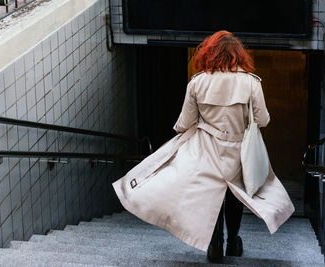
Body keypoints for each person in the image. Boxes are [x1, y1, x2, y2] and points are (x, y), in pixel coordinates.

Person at [113, 30, 294, 261]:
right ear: (239, 55)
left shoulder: (197, 83)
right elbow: (264, 120)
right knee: (237, 193)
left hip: (206, 148)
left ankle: (215, 242)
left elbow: (184, 122)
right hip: (239, 151)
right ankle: (233, 242)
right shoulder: (251, 83)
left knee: (212, 193)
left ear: (209, 53)